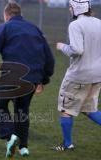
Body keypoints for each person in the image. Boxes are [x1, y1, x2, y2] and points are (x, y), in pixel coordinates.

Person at [0, 2, 55, 158]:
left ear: (6, 15)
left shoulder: (6, 27)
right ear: (21, 14)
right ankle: (23, 147)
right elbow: (49, 58)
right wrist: (44, 79)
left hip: (12, 75)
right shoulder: (35, 29)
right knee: (22, 110)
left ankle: (10, 135)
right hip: (32, 78)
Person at [55, 0, 101, 151]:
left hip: (79, 75)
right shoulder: (99, 23)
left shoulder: (75, 25)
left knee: (66, 109)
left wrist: (62, 46)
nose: (69, 10)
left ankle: (67, 144)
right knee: (89, 109)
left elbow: (77, 50)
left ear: (75, 8)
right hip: (97, 75)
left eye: (70, 7)